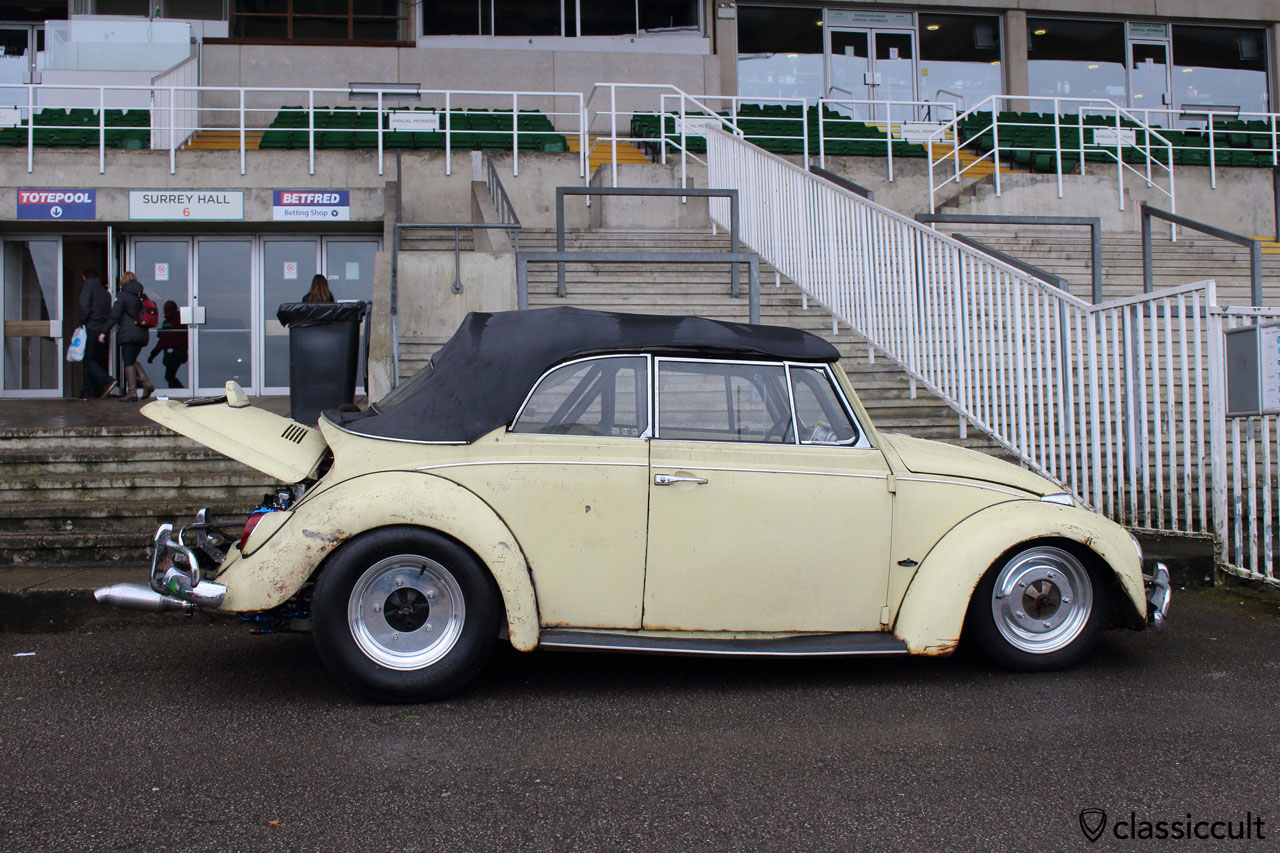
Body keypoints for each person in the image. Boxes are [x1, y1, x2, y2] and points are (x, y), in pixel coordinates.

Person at [99, 271, 155, 403]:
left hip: (128, 334)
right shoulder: (143, 296)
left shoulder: (122, 296)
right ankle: (146, 384)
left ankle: (132, 392)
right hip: (142, 334)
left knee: (128, 361)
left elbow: (114, 316)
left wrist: (104, 332)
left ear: (123, 282)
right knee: (132, 359)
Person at [77, 267, 116, 400]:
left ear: (84, 277)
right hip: (103, 330)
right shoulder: (106, 293)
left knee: (88, 359)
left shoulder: (87, 287)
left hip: (92, 327)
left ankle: (107, 380)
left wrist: (82, 322)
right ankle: (85, 392)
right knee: (94, 361)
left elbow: (84, 305)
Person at [146, 300, 188, 389]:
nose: (165, 311)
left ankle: (179, 392)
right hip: (176, 353)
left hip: (175, 353)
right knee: (169, 376)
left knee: (169, 376)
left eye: (168, 309)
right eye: (165, 309)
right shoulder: (174, 321)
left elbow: (164, 340)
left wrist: (152, 355)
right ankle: (179, 391)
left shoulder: (176, 321)